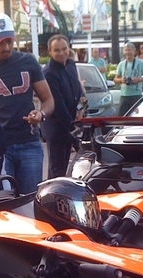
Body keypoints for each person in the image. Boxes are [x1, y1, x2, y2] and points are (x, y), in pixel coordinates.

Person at [0, 13, 54, 194]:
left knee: (30, 201)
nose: (6, 47)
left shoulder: (28, 61)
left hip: (29, 142)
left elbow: (48, 100)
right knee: (3, 203)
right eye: (0, 42)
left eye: (10, 41)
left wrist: (41, 114)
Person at [41, 35, 83, 178]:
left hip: (72, 122)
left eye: (64, 49)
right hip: (57, 127)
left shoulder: (71, 64)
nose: (61, 53)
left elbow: (78, 90)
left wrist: (81, 108)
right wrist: (75, 129)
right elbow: (58, 106)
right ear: (50, 51)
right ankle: (51, 197)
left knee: (67, 167)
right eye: (57, 50)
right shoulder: (49, 73)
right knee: (57, 169)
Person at [114, 42, 143, 116]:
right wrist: (121, 80)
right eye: (126, 50)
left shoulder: (141, 63)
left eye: (129, 50)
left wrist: (139, 80)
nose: (128, 52)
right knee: (121, 118)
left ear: (134, 51)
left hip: (136, 95)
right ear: (124, 52)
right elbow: (115, 79)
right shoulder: (121, 64)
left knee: (137, 117)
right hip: (124, 95)